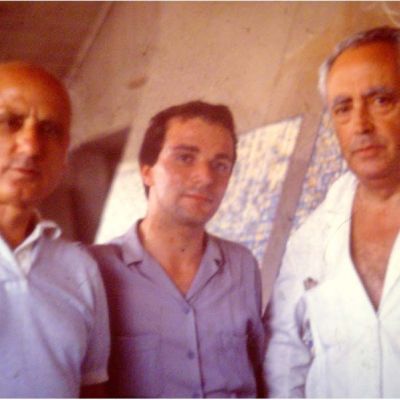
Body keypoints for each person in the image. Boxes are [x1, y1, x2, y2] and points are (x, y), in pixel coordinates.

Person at [90, 100, 266, 398]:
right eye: (185, 158)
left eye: (220, 165)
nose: (206, 177)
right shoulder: (97, 269)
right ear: (147, 171)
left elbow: (260, 373)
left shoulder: (242, 265)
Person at [264, 26, 400, 398]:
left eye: (381, 100)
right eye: (343, 108)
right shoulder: (312, 236)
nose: (360, 125)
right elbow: (285, 355)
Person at [0, 61, 110, 397]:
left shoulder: (79, 268)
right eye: (9, 122)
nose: (31, 146)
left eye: (50, 130)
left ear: (64, 158)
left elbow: (92, 386)